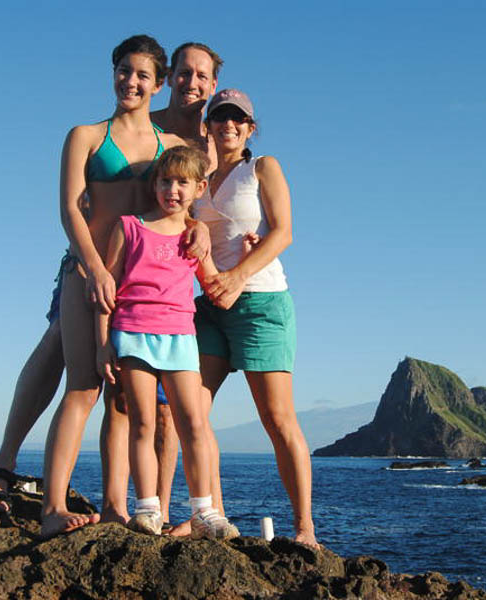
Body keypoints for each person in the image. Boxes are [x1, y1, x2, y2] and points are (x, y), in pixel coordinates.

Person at [40, 34, 191, 538]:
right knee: (82, 386)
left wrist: (206, 232)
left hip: (142, 287)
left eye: (143, 75)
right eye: (124, 70)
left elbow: (191, 205)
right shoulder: (86, 135)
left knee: (122, 400)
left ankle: (113, 507)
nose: (131, 81)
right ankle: (52, 509)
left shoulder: (172, 147)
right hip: (89, 274)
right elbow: (69, 209)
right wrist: (95, 269)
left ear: (159, 84)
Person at [193, 89, 318, 547]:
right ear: (208, 124)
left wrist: (238, 275)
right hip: (209, 306)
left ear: (250, 128)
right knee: (191, 415)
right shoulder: (198, 177)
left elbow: (283, 231)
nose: (228, 124)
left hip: (261, 302)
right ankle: (211, 515)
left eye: (237, 119)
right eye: (219, 117)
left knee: (277, 417)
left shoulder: (262, 167)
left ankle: (304, 528)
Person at [96, 145, 240, 538]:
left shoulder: (196, 236)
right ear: (155, 184)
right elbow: (108, 290)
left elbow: (214, 286)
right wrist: (103, 343)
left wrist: (245, 258)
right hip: (133, 335)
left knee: (192, 423)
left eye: (182, 182)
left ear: (199, 188)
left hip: (180, 338)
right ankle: (147, 509)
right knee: (141, 422)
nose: (172, 189)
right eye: (165, 181)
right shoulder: (129, 227)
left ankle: (205, 512)